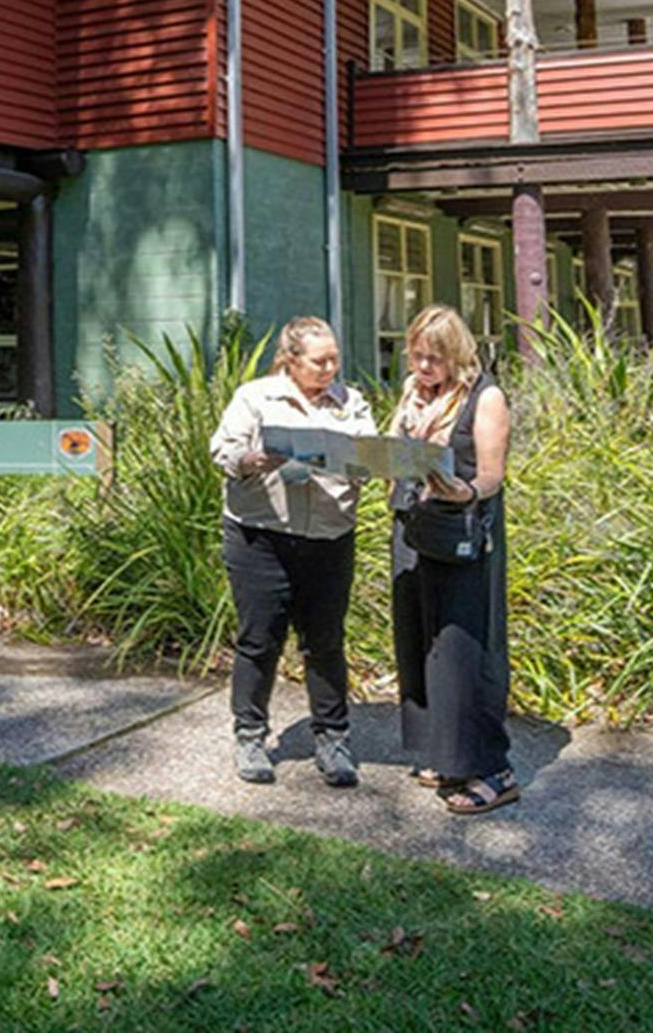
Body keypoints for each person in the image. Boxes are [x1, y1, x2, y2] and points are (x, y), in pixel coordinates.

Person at [208, 316, 376, 787]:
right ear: (291, 359)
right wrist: (252, 460)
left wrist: (358, 460)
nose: (330, 369)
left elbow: (368, 457)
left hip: (328, 536)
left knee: (325, 641)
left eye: (335, 360)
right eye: (320, 361)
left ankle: (333, 737)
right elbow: (222, 450)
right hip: (261, 535)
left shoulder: (352, 402)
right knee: (259, 638)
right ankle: (250, 734)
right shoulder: (255, 397)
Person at [388, 304, 518, 816]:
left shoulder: (485, 397)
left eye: (433, 360)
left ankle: (492, 770)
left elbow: (492, 475)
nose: (422, 368)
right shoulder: (416, 394)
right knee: (423, 643)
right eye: (416, 357)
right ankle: (447, 755)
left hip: (462, 532)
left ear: (456, 355)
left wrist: (465, 490)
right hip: (414, 528)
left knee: (465, 648)